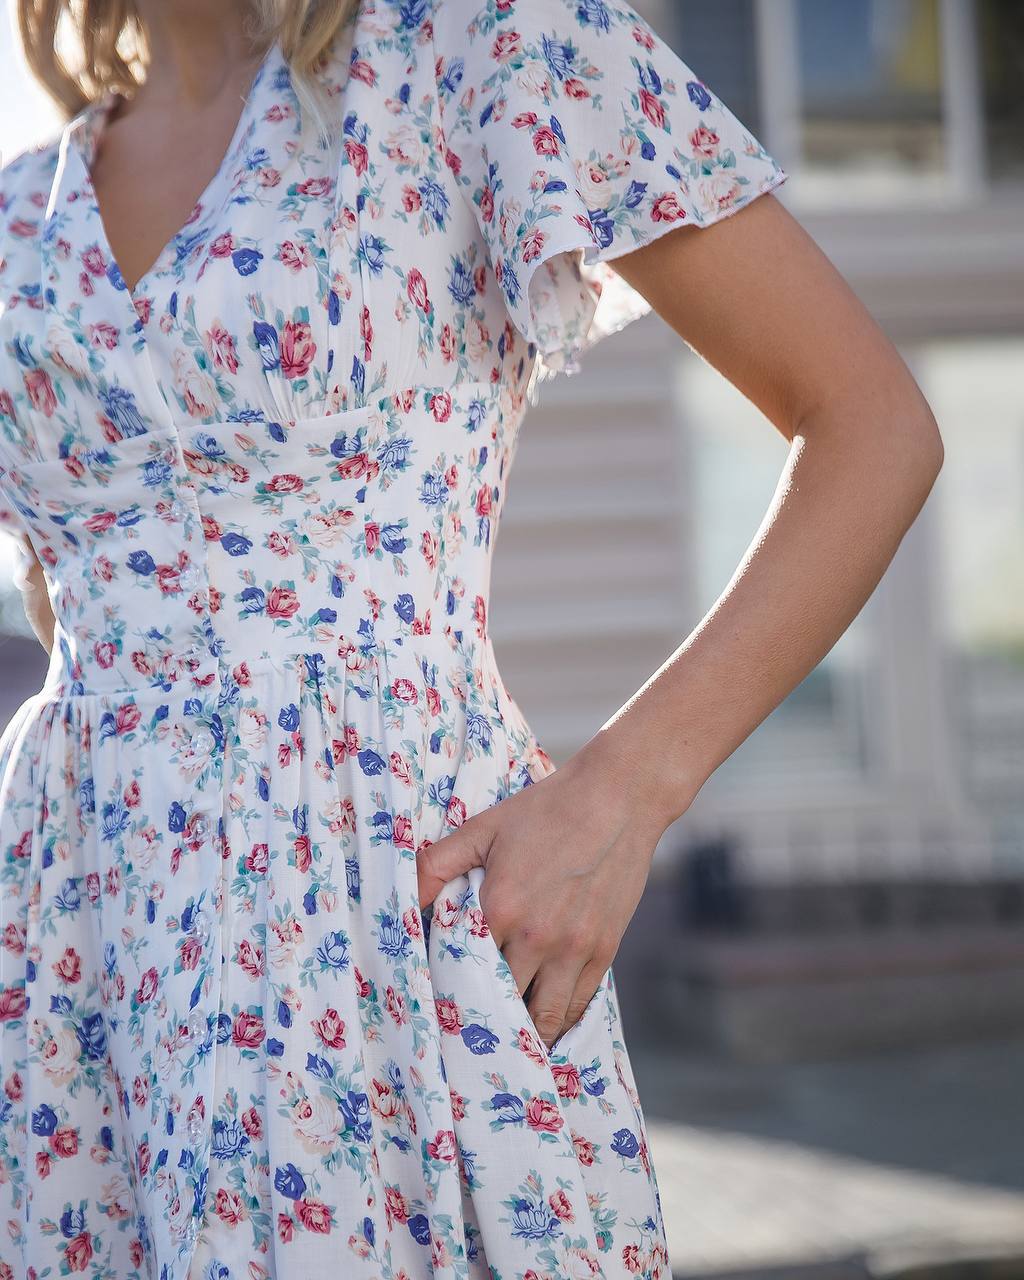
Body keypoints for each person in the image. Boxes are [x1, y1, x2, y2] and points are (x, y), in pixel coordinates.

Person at [0, 0, 944, 1277]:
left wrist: (626, 793)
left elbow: (868, 424)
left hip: (382, 905)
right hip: (72, 942)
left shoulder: (488, 43)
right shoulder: (21, 210)